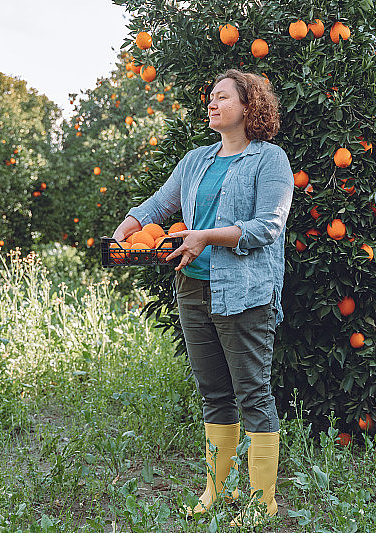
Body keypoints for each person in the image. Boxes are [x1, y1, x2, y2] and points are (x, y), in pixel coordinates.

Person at [112, 69, 293, 525]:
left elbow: (268, 227)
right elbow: (158, 206)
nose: (211, 104)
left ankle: (261, 501)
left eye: (222, 97)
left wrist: (207, 236)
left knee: (252, 393)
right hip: (193, 288)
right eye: (210, 98)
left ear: (249, 106)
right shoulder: (196, 160)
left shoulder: (269, 161)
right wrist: (127, 229)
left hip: (244, 292)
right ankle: (218, 489)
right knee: (214, 392)